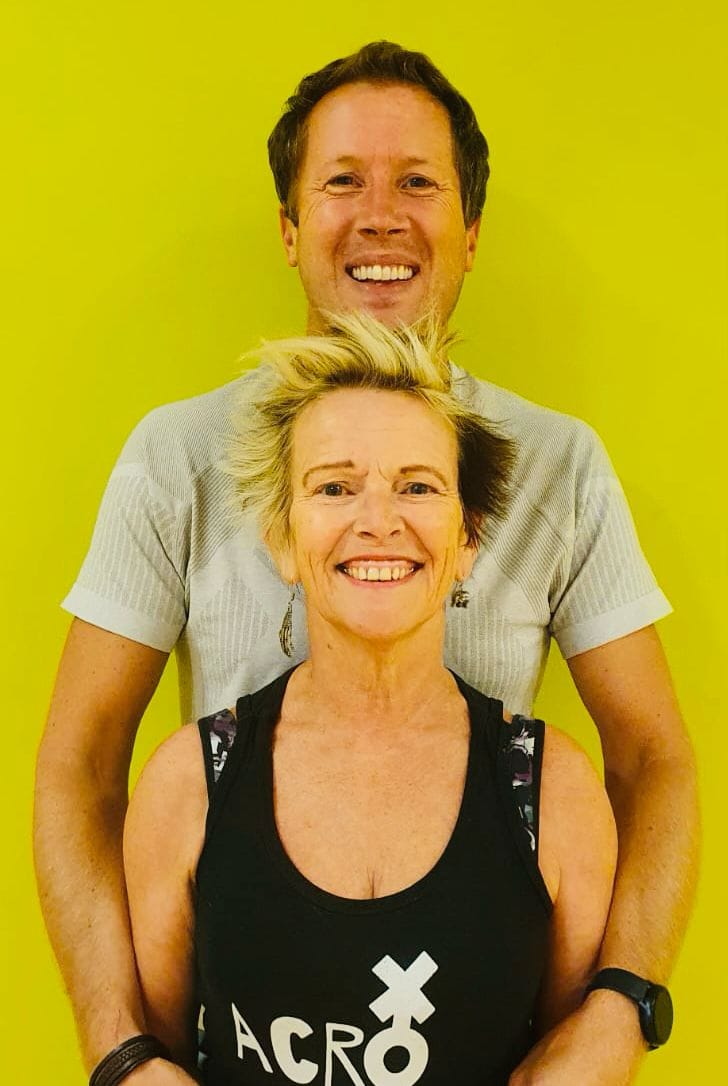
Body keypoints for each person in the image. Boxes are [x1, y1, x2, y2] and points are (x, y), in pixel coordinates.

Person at [34, 41, 697, 1086]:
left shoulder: (556, 466)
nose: (379, 215)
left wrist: (621, 1001)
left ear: (469, 231)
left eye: (417, 183)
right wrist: (121, 1051)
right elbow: (79, 764)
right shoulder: (174, 459)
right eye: (341, 181)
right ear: (290, 228)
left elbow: (655, 759)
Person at [122, 314, 618, 1086]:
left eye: (418, 487)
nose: (378, 521)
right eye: (335, 487)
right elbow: (160, 1053)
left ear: (468, 536)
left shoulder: (555, 795)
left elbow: (571, 1054)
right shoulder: (188, 785)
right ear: (282, 538)